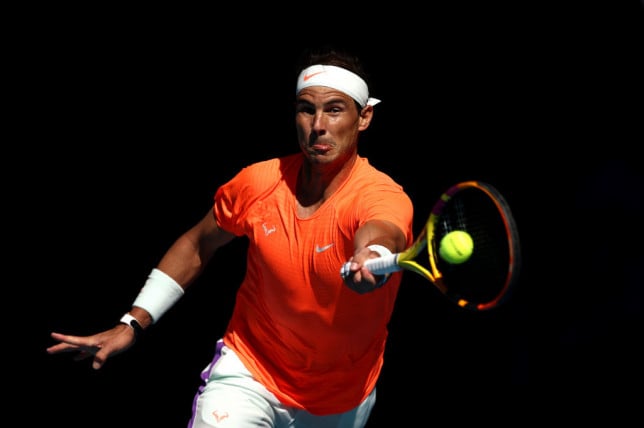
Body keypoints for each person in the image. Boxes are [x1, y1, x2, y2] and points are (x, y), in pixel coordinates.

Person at [47, 45, 414, 428]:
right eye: (307, 109)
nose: (318, 124)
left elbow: (382, 230)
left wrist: (372, 253)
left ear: (364, 116)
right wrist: (132, 322)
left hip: (342, 398)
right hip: (250, 372)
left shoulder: (382, 195)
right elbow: (197, 243)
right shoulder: (258, 183)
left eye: (335, 109)